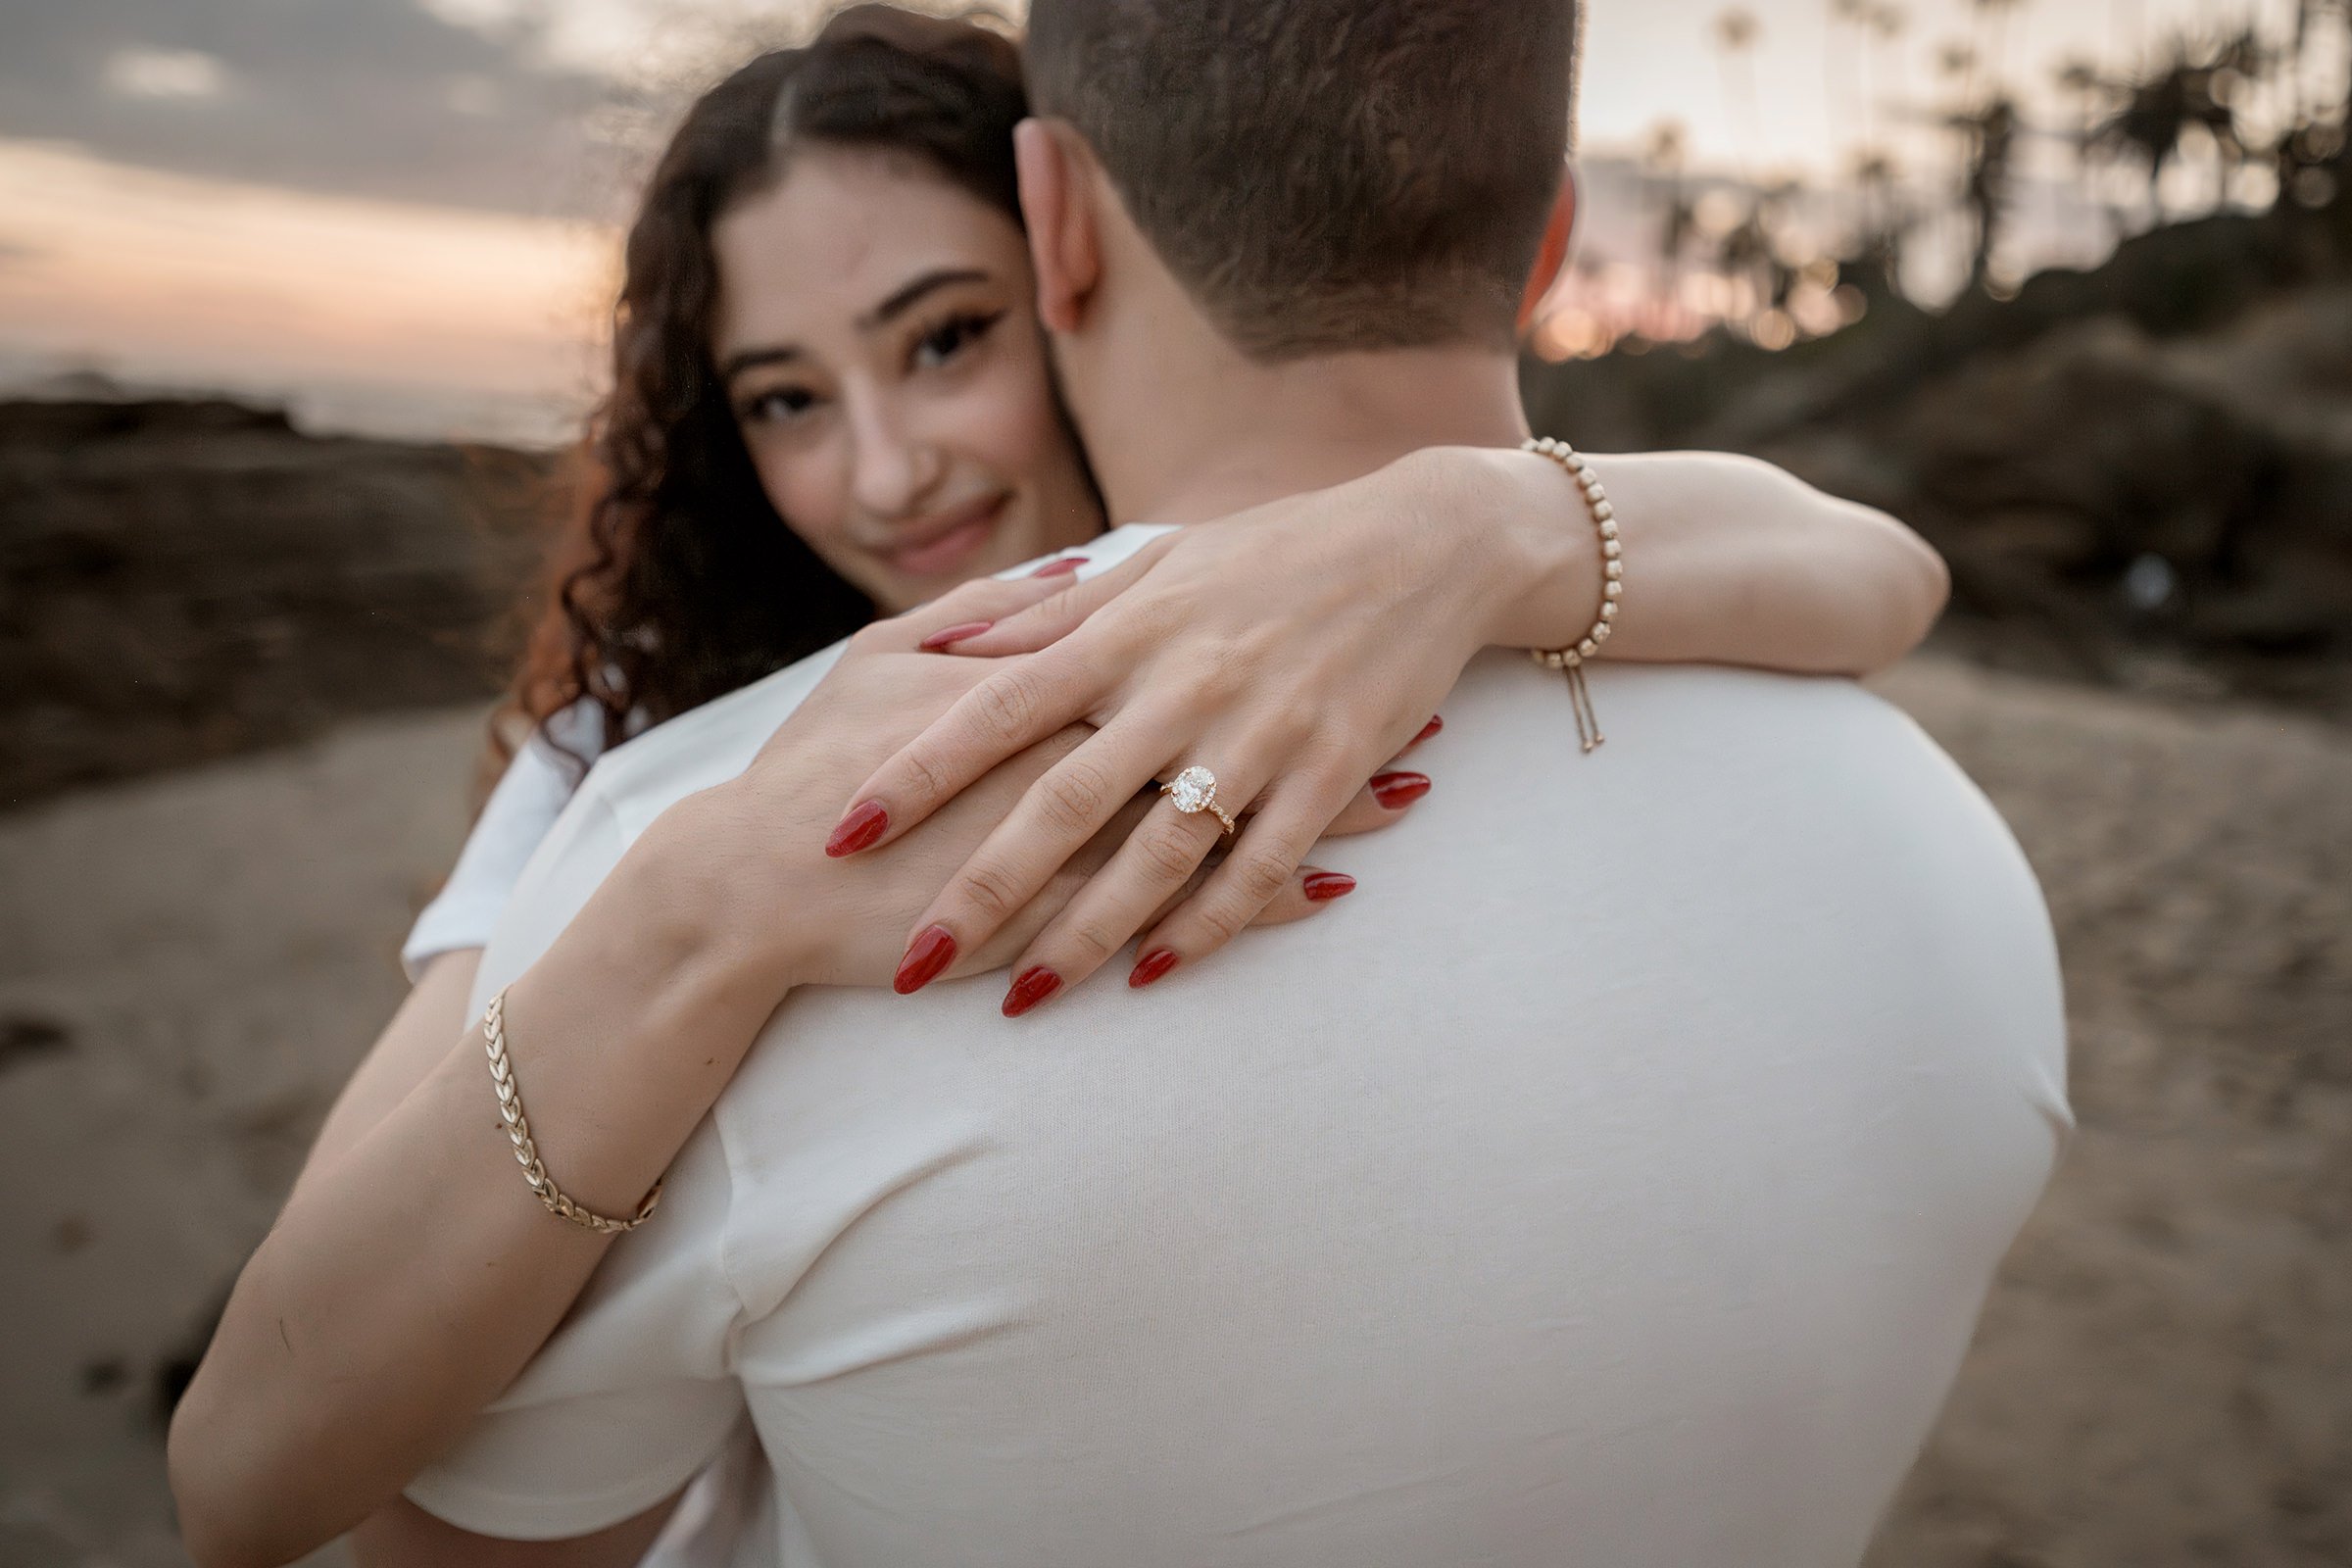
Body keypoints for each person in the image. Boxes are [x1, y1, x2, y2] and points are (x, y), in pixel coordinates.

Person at [165, 10, 1977, 1568]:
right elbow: (257, 1459)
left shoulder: (1343, 595)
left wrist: (1465, 527)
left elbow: (1881, 568)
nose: (886, 473)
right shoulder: (639, 752)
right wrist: (699, 903)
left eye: (946, 338)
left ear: (1068, 254)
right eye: (785, 400)